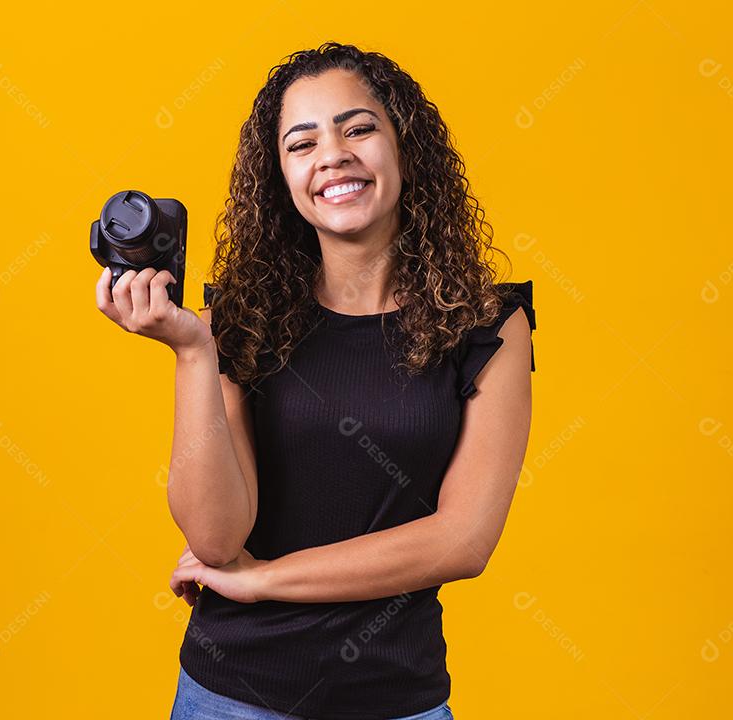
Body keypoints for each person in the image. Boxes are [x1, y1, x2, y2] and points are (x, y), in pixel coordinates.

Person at [96, 41, 537, 720]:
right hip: (231, 697)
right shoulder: (238, 321)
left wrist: (265, 579)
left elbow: (462, 540)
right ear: (282, 178)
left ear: (405, 148)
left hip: (399, 701)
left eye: (358, 128)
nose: (332, 154)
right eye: (302, 143)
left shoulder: (488, 326)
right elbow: (216, 540)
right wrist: (192, 352)